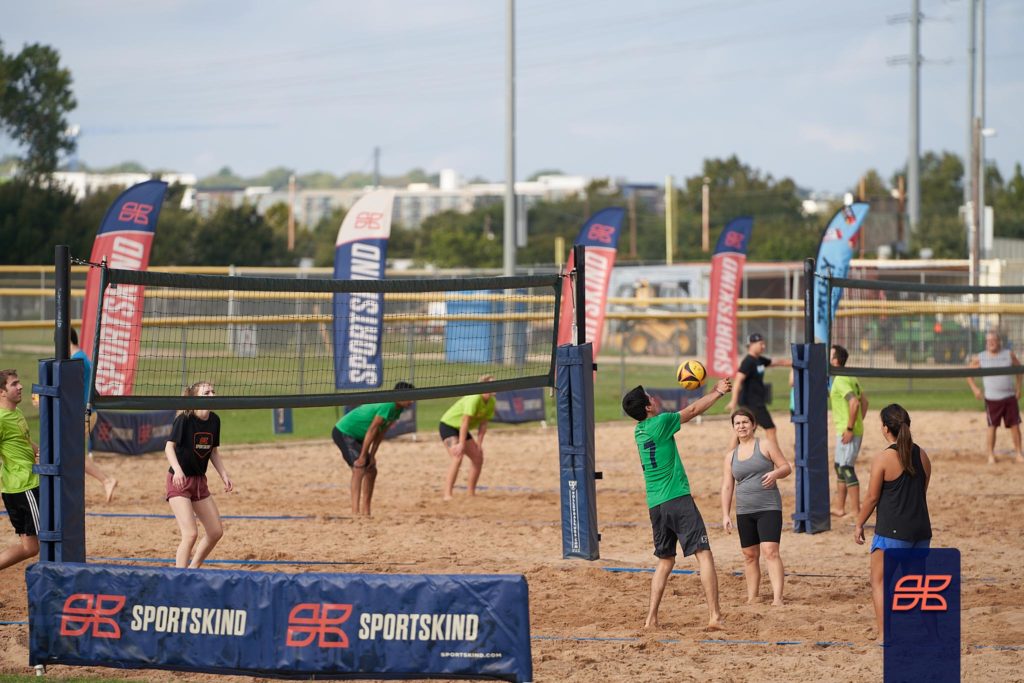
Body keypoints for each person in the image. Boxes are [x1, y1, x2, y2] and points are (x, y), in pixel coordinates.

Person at [622, 376, 732, 630]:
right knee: (703, 554)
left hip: (656, 504)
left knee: (665, 561)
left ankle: (651, 619)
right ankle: (715, 616)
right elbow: (692, 411)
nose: (653, 398)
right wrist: (718, 392)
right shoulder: (660, 423)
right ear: (647, 407)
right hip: (677, 498)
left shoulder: (639, 431)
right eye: (649, 397)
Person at [854, 404, 932, 641]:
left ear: (886, 428)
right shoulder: (922, 455)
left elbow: (872, 497)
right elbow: (921, 493)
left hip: (892, 533)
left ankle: (884, 636)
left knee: (880, 583)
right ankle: (933, 634)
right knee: (919, 587)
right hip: (920, 531)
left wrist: (858, 524)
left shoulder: (884, 458)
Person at [720, 407, 792, 606]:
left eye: (745, 422)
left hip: (769, 507)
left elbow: (786, 467)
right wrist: (725, 514)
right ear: (733, 428)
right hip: (744, 511)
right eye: (737, 423)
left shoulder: (766, 445)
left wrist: (775, 474)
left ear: (753, 425)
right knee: (750, 555)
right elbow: (727, 486)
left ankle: (777, 598)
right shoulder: (731, 456)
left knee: (770, 551)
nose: (741, 426)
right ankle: (752, 597)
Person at [164, 381, 233, 568]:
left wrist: (224, 475)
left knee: (215, 532)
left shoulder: (214, 420)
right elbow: (169, 447)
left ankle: (193, 569)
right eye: (206, 392)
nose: (212, 395)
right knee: (190, 534)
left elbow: (213, 452)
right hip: (179, 481)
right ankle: (179, 577)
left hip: (199, 482)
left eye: (213, 391)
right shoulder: (185, 419)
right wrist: (178, 470)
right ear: (195, 398)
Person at [332, 381, 415, 516]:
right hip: (345, 432)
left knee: (371, 470)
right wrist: (363, 456)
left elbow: (380, 433)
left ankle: (366, 511)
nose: (412, 401)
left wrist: (372, 455)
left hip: (360, 435)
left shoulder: (398, 409)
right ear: (400, 395)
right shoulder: (388, 405)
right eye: (410, 398)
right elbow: (372, 430)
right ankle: (355, 513)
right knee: (359, 467)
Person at [69, 327, 118, 503]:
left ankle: (106, 480)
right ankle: (103, 481)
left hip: (84, 413)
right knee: (72, 453)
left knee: (72, 452)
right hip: (85, 413)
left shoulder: (77, 360)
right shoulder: (81, 358)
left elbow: (69, 390)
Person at [0, 369, 41, 570]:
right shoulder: (1, 419)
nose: (21, 386)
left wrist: (40, 452)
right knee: (49, 535)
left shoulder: (17, 413)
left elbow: (24, 442)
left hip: (24, 486)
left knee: (30, 548)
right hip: (24, 487)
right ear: (1, 392)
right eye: (14, 384)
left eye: (19, 382)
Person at [966, 329, 1024, 464]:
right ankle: (991, 455)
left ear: (999, 341)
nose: (991, 343)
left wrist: (1018, 387)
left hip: (1009, 397)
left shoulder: (1008, 354)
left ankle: (1018, 453)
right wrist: (975, 389)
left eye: (993, 340)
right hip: (992, 399)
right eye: (988, 341)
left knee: (1015, 425)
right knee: (992, 426)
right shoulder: (981, 357)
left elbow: (1019, 370)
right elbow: (968, 373)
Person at [727, 332, 791, 449]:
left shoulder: (759, 360)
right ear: (752, 344)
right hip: (751, 403)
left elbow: (777, 362)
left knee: (745, 431)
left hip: (755, 402)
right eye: (761, 344)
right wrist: (733, 401)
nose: (763, 346)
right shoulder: (748, 362)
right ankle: (775, 457)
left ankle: (730, 456)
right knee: (770, 429)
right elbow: (737, 381)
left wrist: (796, 362)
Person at [440, 375, 496, 500]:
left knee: (478, 457)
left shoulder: (492, 402)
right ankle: (447, 494)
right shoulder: (474, 398)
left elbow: (483, 424)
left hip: (461, 429)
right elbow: (464, 422)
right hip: (449, 425)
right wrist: (461, 444)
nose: (495, 387)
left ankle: (471, 493)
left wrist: (479, 444)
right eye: (492, 384)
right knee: (457, 456)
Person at [829, 344, 868, 517]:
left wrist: (851, 427)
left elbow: (855, 403)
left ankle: (855, 511)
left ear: (835, 361)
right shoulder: (850, 376)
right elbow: (865, 402)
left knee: (846, 467)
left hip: (848, 431)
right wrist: (857, 421)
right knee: (839, 466)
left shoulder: (841, 379)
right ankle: (839, 507)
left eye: (829, 356)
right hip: (846, 429)